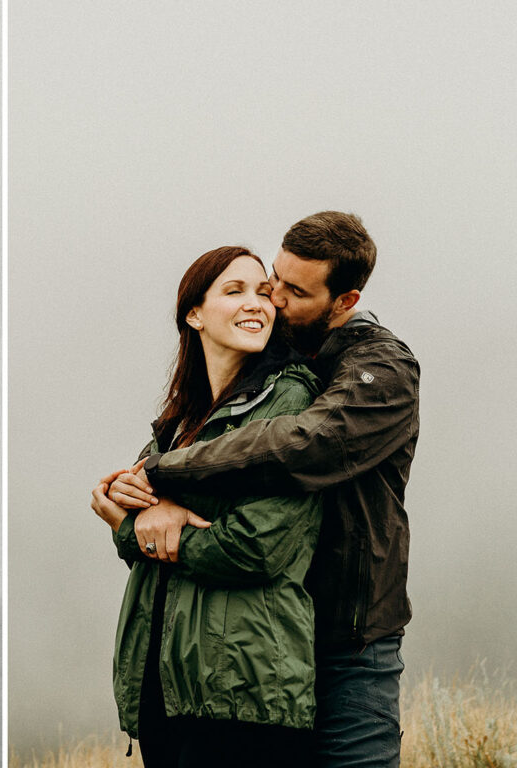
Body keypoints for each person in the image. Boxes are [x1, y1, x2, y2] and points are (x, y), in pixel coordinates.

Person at [107, 212, 419, 768]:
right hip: (270, 632)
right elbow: (140, 511)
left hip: (349, 640)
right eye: (272, 278)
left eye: (290, 291)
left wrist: (163, 474)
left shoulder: (377, 367)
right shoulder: (224, 397)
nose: (272, 298)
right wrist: (136, 509)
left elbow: (305, 444)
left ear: (343, 301)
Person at [91, 246, 323, 768]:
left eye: (264, 293)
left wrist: (132, 530)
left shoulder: (290, 402)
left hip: (244, 694)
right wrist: (123, 503)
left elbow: (256, 546)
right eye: (234, 291)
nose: (257, 304)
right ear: (194, 314)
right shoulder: (177, 422)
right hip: (166, 693)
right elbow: (132, 505)